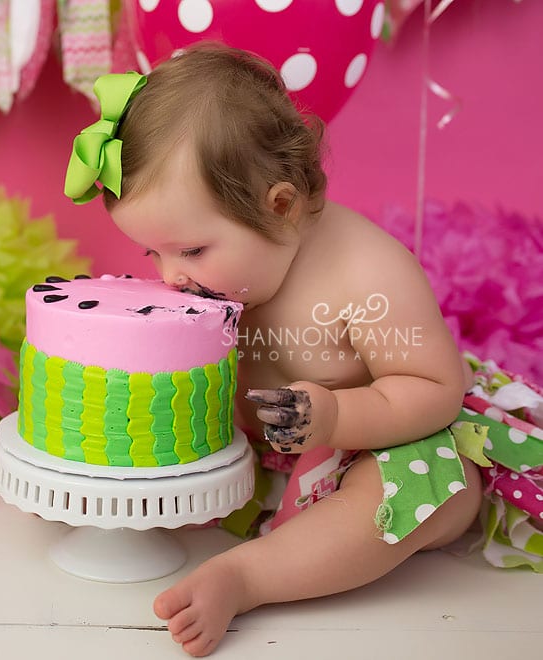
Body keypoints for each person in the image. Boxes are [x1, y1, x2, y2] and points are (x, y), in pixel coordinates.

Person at [64, 44, 483, 657]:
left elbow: (435, 390)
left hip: (391, 439)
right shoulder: (225, 275)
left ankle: (251, 576)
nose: (173, 276)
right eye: (153, 254)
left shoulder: (369, 274)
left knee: (422, 491)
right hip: (276, 454)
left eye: (191, 251)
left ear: (281, 206)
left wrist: (338, 418)